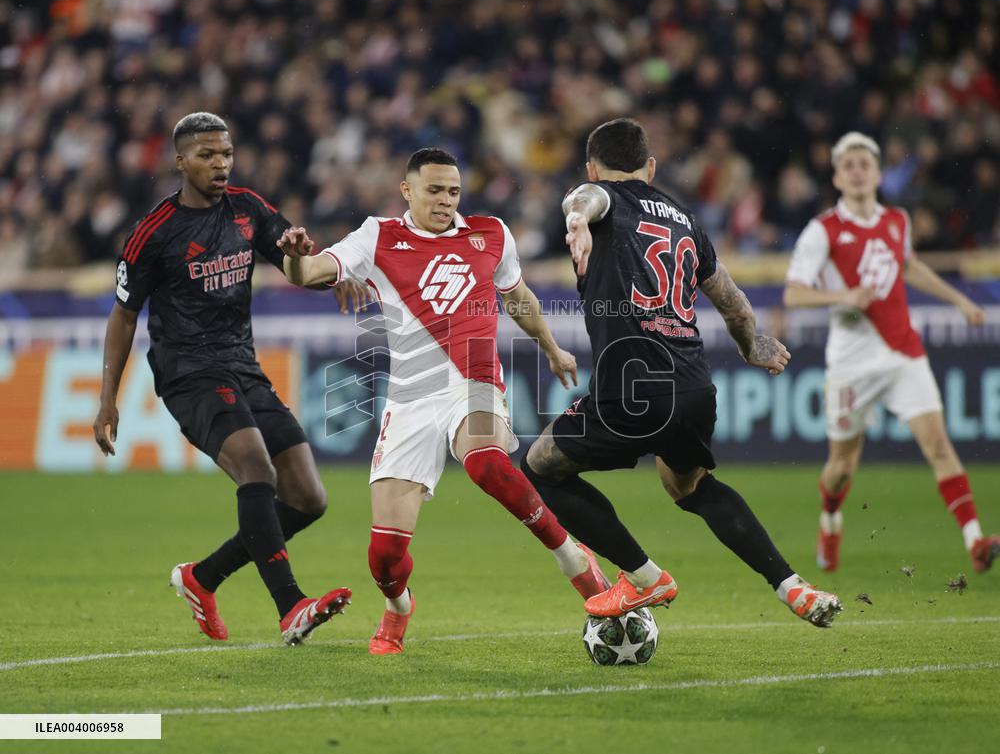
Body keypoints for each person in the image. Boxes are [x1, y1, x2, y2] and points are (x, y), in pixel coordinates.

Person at [277, 147, 611, 655]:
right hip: (409, 398)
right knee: (384, 558)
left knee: (485, 462)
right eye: (434, 190)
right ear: (406, 190)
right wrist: (296, 256)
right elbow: (308, 274)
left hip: (473, 382)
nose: (445, 201)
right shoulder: (378, 236)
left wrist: (550, 346)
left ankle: (572, 557)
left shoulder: (491, 234)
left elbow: (516, 296)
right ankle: (398, 609)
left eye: (453, 191)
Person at [520, 118, 843, 627]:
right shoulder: (684, 218)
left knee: (540, 468)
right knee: (689, 484)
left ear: (592, 168)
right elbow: (734, 305)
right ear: (650, 167)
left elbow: (587, 199)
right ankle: (791, 586)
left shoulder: (597, 197)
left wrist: (578, 217)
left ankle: (645, 577)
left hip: (633, 384)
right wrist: (751, 346)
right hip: (693, 385)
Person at [92, 112, 353, 646]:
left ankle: (201, 578)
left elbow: (295, 260)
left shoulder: (247, 209)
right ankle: (291, 607)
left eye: (227, 154)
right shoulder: (154, 232)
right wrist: (107, 401)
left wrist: (323, 265)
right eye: (207, 155)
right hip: (187, 369)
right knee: (257, 468)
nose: (220, 164)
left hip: (241, 363)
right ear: (180, 161)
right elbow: (122, 316)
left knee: (308, 497)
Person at [783, 131, 998, 573]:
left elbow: (908, 264)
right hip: (851, 361)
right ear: (838, 178)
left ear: (879, 174)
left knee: (938, 443)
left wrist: (959, 301)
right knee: (842, 465)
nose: (859, 172)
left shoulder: (897, 220)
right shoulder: (823, 230)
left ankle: (975, 539)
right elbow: (793, 295)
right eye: (850, 166)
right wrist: (843, 297)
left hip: (903, 349)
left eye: (866, 164)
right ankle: (830, 515)